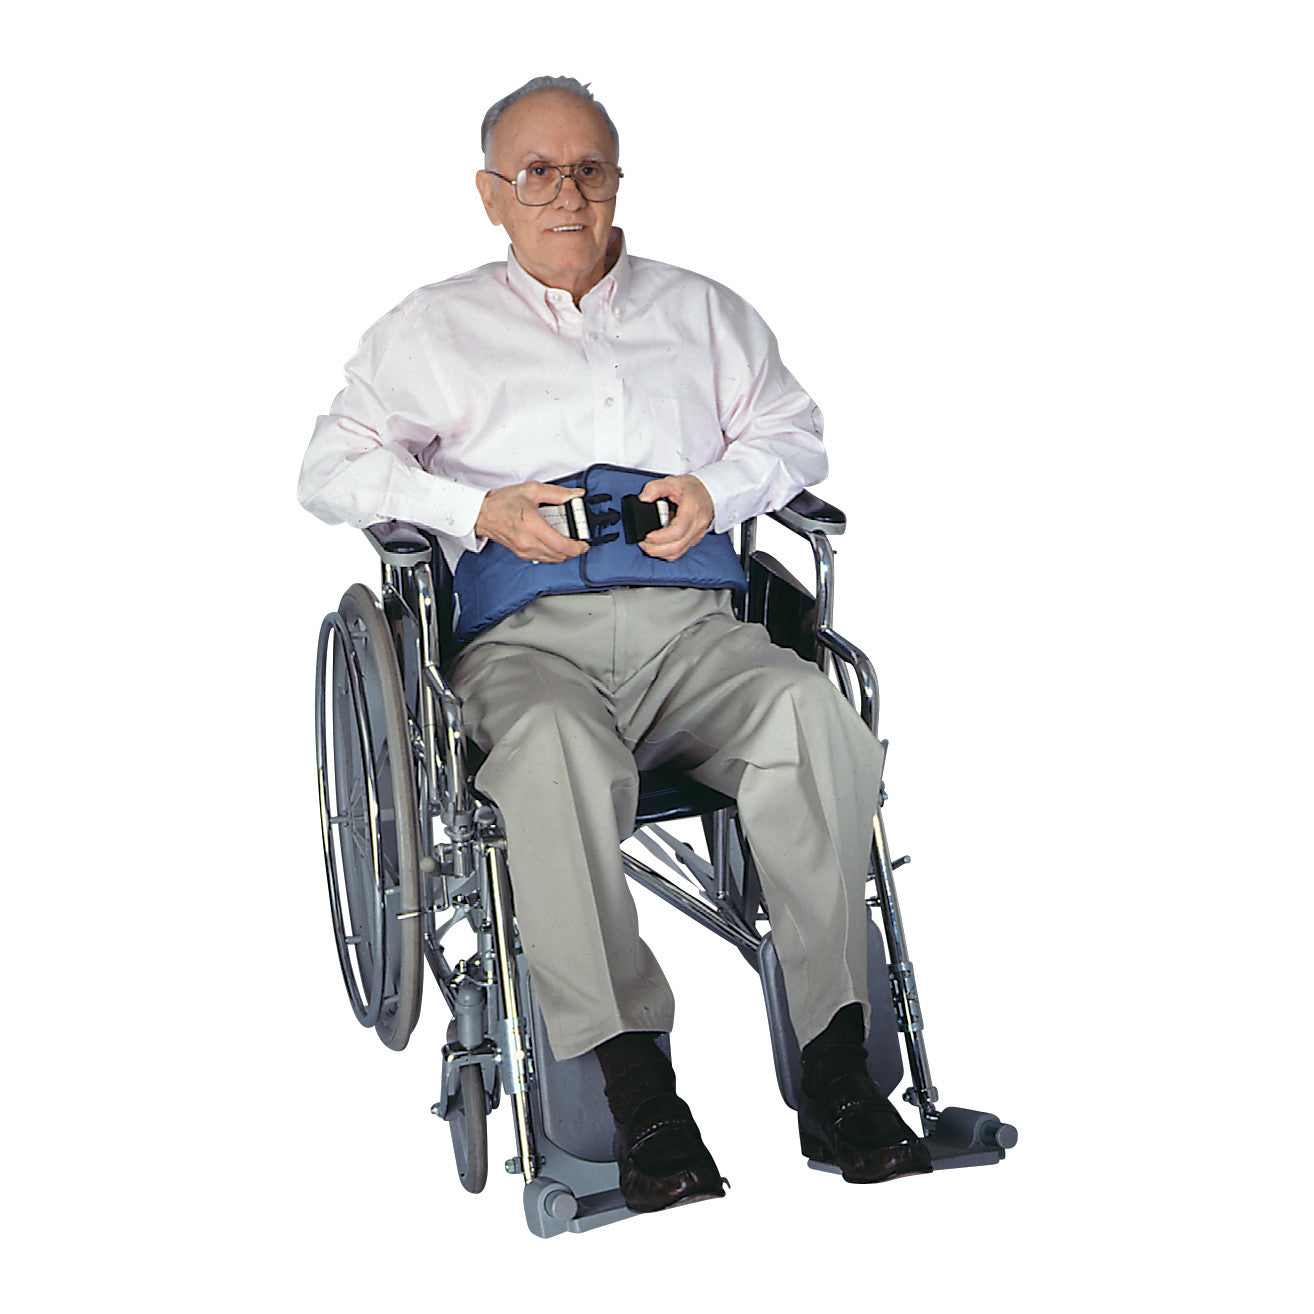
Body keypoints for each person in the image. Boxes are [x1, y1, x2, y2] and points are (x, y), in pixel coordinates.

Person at [298, 76, 932, 1211]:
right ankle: (641, 1099)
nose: (566, 194)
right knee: (551, 760)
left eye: (588, 169)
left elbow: (796, 437)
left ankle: (839, 1074)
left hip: (694, 631)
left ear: (618, 182)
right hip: (527, 643)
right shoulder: (431, 330)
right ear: (492, 196)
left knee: (815, 724)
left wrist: (719, 486)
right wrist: (475, 512)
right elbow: (330, 472)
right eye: (536, 173)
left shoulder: (705, 312)